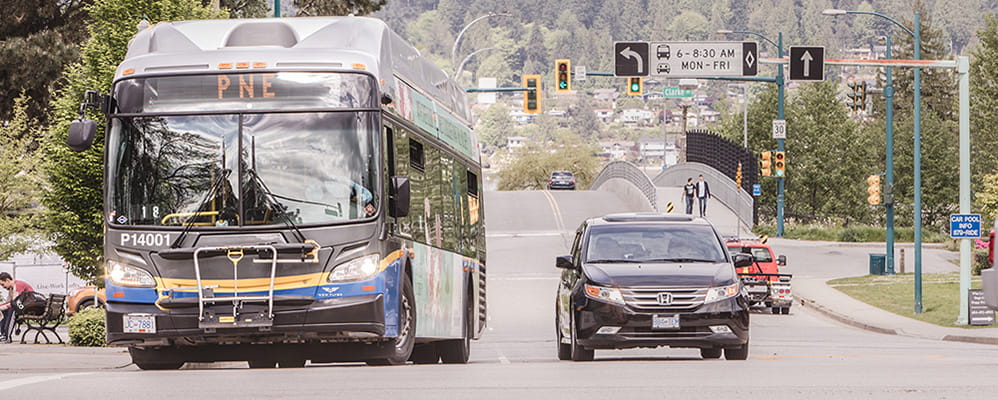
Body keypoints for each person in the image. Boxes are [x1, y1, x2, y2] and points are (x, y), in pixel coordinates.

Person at [0, 272, 34, 343]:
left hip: (30, 308)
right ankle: (3, 334)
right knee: (5, 310)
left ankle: (7, 336)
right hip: (23, 306)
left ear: (7, 280)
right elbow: (8, 302)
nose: (3, 287)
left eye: (3, 284)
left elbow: (14, 303)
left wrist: (2, 307)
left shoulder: (18, 285)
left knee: (12, 310)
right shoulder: (11, 289)